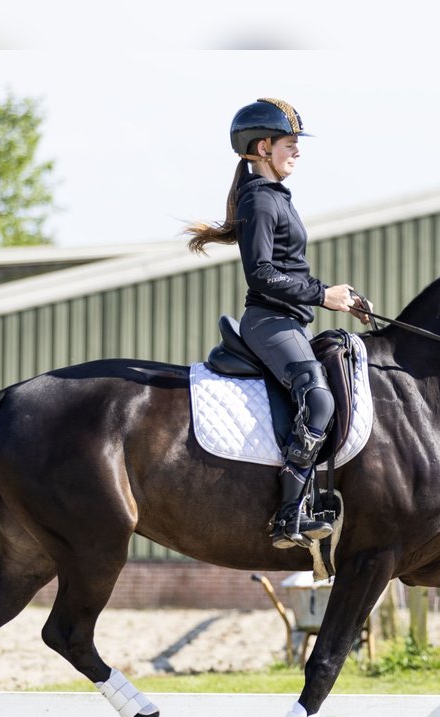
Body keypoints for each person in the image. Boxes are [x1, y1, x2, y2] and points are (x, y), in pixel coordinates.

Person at [186, 97, 371, 549]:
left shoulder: (275, 197)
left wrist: (337, 296)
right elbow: (262, 275)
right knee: (321, 402)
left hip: (290, 320)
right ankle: (288, 515)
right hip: (270, 321)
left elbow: (292, 270)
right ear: (263, 147)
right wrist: (322, 295)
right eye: (290, 143)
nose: (298, 151)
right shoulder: (260, 200)